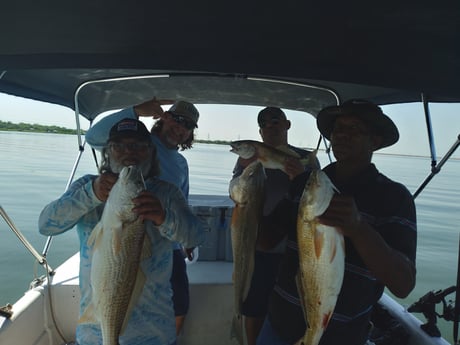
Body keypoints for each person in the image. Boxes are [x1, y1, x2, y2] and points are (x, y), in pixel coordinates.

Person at [256, 99, 417, 345]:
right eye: (338, 128)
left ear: (375, 141)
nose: (342, 134)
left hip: (341, 337)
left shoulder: (394, 198)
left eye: (354, 129)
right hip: (278, 324)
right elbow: (267, 241)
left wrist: (359, 228)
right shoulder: (309, 184)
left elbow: (403, 284)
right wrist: (251, 195)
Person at [39, 118, 205, 345]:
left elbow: (196, 236)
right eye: (119, 146)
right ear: (108, 152)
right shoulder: (88, 186)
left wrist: (163, 218)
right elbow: (46, 225)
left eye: (139, 145)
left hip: (154, 334)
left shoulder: (167, 193)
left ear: (151, 152)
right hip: (94, 335)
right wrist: (91, 194)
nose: (129, 152)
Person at [86, 98, 198, 334]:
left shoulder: (181, 163)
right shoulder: (141, 142)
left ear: (189, 134)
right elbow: (94, 137)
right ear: (164, 118)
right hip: (128, 232)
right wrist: (136, 110)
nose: (180, 128)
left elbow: (183, 202)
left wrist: (182, 237)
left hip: (167, 242)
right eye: (176, 119)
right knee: (121, 291)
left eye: (187, 125)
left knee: (181, 302)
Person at [231, 107, 319, 345]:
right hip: (259, 242)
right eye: (265, 124)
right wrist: (244, 167)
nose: (271, 127)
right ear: (260, 131)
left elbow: (319, 196)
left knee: (294, 304)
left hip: (296, 246)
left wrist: (301, 177)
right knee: (255, 303)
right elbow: (235, 192)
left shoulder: (306, 158)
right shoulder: (249, 160)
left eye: (275, 121)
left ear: (287, 124)